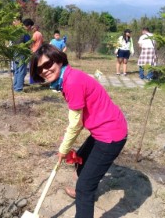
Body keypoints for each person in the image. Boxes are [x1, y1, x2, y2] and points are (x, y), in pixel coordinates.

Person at [30, 44, 128, 218]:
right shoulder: (67, 77)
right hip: (103, 130)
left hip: (110, 135)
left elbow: (76, 124)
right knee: (80, 159)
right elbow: (77, 120)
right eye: (39, 69)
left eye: (48, 64)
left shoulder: (72, 81)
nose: (45, 70)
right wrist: (65, 144)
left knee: (84, 188)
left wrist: (63, 149)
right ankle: (84, 188)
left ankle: (84, 191)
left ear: (59, 60)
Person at [11, 17, 32, 92]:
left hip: (15, 52)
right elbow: (28, 44)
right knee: (21, 70)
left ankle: (15, 86)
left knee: (16, 70)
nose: (31, 28)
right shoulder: (25, 33)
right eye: (31, 27)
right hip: (22, 53)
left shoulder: (17, 31)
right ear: (29, 26)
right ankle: (19, 89)